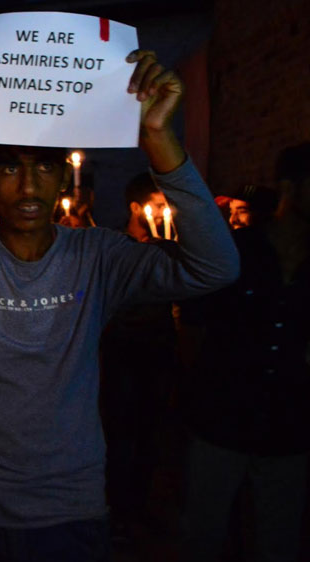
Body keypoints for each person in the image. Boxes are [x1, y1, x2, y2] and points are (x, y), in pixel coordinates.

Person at [0, 50, 239, 560]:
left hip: (69, 509)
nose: (29, 187)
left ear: (62, 178)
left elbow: (215, 267)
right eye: (9, 167)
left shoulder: (96, 255)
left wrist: (159, 138)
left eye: (45, 168)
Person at [179, 142, 310, 562]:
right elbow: (193, 324)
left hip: (291, 428)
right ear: (290, 187)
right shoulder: (237, 251)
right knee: (205, 533)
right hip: (222, 423)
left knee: (279, 540)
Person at [97, 174, 180, 541]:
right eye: (159, 205)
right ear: (137, 207)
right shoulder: (116, 246)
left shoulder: (170, 248)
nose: (166, 212)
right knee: (119, 435)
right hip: (120, 355)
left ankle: (139, 506)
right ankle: (114, 510)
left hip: (157, 354)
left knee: (150, 434)